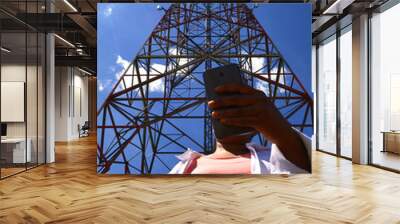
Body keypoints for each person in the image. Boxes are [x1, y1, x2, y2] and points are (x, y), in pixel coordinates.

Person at [169, 83, 311, 174]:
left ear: (255, 127)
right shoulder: (183, 166)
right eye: (221, 112)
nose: (230, 116)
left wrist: (282, 133)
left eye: (240, 110)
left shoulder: (283, 153)